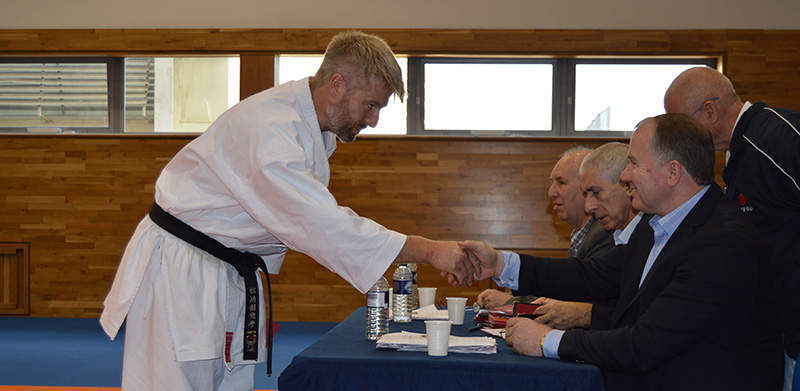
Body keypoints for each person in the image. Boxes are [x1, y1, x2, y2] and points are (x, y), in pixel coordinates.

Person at [99, 31, 476, 391]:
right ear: (337, 85)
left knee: (230, 382)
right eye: (371, 105)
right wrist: (428, 249)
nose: (373, 120)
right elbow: (321, 224)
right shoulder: (272, 130)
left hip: (225, 269)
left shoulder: (307, 126)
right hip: (183, 275)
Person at [462, 113, 784, 391]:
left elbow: (645, 344)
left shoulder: (722, 242)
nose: (625, 175)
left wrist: (547, 341)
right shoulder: (656, 225)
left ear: (672, 173)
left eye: (633, 164)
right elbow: (591, 275)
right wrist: (501, 264)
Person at [665, 66, 800, 388]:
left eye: (682, 125)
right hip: (782, 329)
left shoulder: (777, 138)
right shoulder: (737, 155)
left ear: (710, 111)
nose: (679, 138)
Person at [478, 142, 641, 331]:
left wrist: (513, 300)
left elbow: (584, 296)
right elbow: (579, 283)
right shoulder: (619, 235)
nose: (551, 193)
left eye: (561, 183)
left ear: (627, 185)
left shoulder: (609, 235)